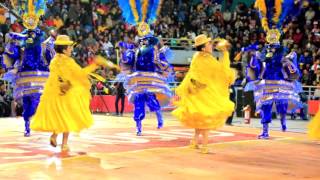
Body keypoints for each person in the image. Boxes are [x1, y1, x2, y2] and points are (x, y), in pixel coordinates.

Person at [31, 35, 108, 152]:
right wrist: (94, 65)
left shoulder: (54, 61)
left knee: (60, 116)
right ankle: (64, 144)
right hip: (67, 93)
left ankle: (54, 135)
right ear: (64, 49)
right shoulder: (69, 62)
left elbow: (56, 77)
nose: (71, 49)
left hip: (54, 93)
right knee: (67, 116)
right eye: (70, 47)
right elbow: (80, 74)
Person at [172, 34, 236, 154]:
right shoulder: (205, 59)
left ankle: (195, 142)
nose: (211, 45)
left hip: (198, 92)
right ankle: (205, 146)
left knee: (200, 118)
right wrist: (225, 53)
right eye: (209, 44)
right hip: (204, 94)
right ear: (203, 47)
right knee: (205, 118)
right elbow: (221, 71)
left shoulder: (199, 57)